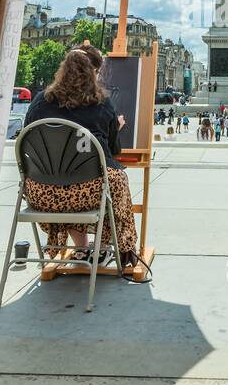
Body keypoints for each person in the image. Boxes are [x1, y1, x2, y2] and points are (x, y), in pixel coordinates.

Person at [21, 45, 140, 268]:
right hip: (87, 193)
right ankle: (104, 248)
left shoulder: (40, 101)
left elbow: (30, 139)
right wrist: (116, 126)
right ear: (93, 73)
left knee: (70, 177)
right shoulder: (101, 104)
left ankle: (82, 248)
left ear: (63, 70)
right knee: (112, 181)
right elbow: (113, 151)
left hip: (41, 194)